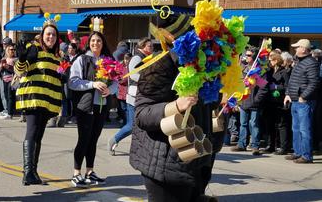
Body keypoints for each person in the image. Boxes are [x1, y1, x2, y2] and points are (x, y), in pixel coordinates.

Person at [129, 14, 222, 201]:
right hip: (164, 167)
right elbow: (142, 114)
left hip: (197, 161)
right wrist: (177, 105)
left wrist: (224, 103)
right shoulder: (159, 64)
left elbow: (207, 113)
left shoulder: (207, 65)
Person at [14, 21, 62, 185]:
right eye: (48, 34)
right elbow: (20, 71)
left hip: (48, 99)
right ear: (42, 35)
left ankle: (33, 172)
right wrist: (21, 58)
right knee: (32, 132)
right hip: (33, 97)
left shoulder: (57, 56)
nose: (51, 37)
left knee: (39, 136)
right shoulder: (34, 49)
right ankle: (27, 172)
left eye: (54, 34)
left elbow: (57, 75)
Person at [69, 31, 118, 187]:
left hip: (102, 106)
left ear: (103, 44)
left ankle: (90, 172)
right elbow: (73, 82)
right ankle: (76, 173)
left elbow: (117, 81)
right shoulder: (81, 60)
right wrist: (92, 84)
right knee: (84, 139)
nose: (96, 43)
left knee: (93, 140)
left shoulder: (108, 61)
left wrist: (111, 90)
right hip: (86, 106)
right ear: (88, 43)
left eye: (99, 41)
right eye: (93, 41)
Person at [108, 38, 153, 155]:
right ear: (142, 46)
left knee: (142, 124)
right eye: (149, 46)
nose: (152, 48)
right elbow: (133, 75)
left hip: (142, 96)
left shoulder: (147, 58)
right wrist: (149, 80)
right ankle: (114, 139)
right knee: (132, 125)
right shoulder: (137, 58)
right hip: (134, 97)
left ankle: (142, 149)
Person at [284, 39, 319, 163]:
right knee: (296, 129)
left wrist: (303, 96)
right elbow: (292, 80)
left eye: (297, 47)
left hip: (304, 102)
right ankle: (298, 152)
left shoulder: (311, 63)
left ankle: (306, 156)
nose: (295, 49)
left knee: (305, 129)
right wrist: (288, 94)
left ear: (303, 49)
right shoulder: (298, 61)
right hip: (295, 100)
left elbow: (314, 83)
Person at [231, 47, 268, 156]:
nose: (246, 57)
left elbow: (263, 88)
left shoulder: (260, 71)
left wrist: (256, 100)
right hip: (244, 101)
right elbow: (238, 85)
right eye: (245, 55)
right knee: (243, 124)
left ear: (255, 57)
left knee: (254, 124)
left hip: (254, 102)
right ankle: (241, 144)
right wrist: (236, 99)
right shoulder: (243, 69)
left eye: (249, 55)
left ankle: (255, 146)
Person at [266, 51, 291, 155]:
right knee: (271, 124)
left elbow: (287, 86)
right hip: (270, 101)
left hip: (280, 101)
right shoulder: (270, 71)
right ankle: (271, 145)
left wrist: (276, 87)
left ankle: (283, 147)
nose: (269, 62)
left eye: (271, 60)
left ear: (276, 61)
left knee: (281, 125)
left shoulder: (284, 72)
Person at [0, 42, 17, 119]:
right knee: (5, 96)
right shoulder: (4, 59)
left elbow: (16, 70)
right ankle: (8, 111)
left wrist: (7, 66)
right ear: (7, 50)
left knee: (10, 96)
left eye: (13, 49)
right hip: (4, 79)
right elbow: (0, 71)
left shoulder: (16, 59)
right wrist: (1, 67)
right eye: (10, 49)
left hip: (12, 80)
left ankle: (10, 113)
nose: (12, 51)